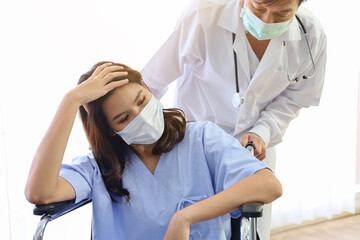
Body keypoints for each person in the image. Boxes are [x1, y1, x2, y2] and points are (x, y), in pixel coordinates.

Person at [25, 62, 282, 239]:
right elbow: (40, 192)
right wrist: (71, 101)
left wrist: (185, 218)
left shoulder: (202, 138)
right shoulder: (98, 167)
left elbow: (269, 184)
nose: (141, 116)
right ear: (112, 130)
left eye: (142, 101)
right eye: (124, 118)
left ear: (149, 90)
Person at [141, 0, 326, 239]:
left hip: (253, 150)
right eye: (258, 8)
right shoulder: (202, 15)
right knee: (194, 229)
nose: (266, 21)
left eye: (282, 13)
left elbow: (294, 98)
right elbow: (151, 83)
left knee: (251, 230)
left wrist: (263, 131)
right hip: (193, 149)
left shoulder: (311, 34)